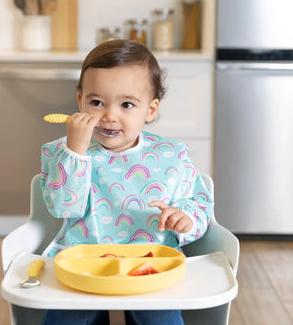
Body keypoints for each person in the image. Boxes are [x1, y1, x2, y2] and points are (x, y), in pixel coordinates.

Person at [40, 39, 214, 325]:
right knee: (65, 317)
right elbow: (63, 208)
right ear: (80, 101)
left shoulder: (172, 156)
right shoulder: (63, 151)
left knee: (161, 318)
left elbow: (199, 203)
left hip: (153, 261)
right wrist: (75, 152)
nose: (109, 116)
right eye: (96, 103)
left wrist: (185, 220)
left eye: (127, 104)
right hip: (82, 263)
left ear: (150, 110)